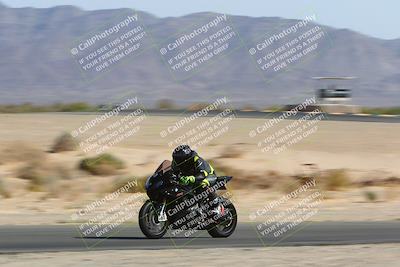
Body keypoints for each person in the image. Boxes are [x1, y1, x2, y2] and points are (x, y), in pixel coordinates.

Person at [171, 145, 223, 215]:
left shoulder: (196, 159)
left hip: (209, 176)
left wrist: (191, 178)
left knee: (202, 184)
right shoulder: (175, 163)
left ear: (185, 158)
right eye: (176, 158)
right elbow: (173, 172)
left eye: (179, 158)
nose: (177, 160)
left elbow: (202, 174)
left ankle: (216, 206)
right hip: (192, 178)